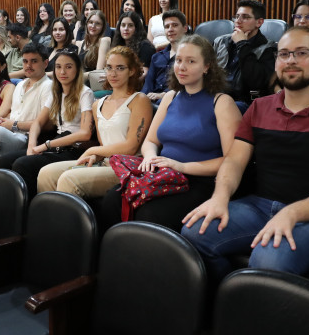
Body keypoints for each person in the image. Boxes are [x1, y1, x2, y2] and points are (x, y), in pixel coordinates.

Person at [181, 26, 309, 283]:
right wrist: (220, 197)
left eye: (301, 53)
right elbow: (234, 160)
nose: (291, 60)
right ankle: (229, 302)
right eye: (283, 54)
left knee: (268, 258)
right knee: (193, 233)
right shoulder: (259, 107)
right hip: (258, 207)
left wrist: (291, 213)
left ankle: (255, 310)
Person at [101, 35, 241, 232]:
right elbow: (150, 140)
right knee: (111, 201)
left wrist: (182, 165)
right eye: (179, 60)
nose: (181, 67)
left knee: (150, 215)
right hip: (164, 175)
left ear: (207, 66)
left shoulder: (222, 102)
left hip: (199, 182)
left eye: (191, 61)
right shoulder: (170, 97)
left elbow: (231, 160)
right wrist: (150, 157)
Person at [37, 46, 153, 200]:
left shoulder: (139, 100)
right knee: (46, 173)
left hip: (128, 166)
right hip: (106, 162)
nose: (112, 73)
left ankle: (68, 223)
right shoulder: (97, 104)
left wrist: (92, 151)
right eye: (109, 67)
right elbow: (104, 145)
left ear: (131, 71)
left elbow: (130, 147)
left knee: (68, 179)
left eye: (120, 68)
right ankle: (50, 219)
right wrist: (96, 156)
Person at [10, 50, 94, 196]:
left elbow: (85, 133)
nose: (62, 71)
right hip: (57, 144)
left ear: (77, 70)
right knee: (5, 161)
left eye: (68, 67)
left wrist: (46, 145)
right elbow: (38, 122)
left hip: (74, 148)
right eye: (58, 67)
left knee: (22, 164)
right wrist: (31, 146)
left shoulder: (85, 92)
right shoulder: (56, 92)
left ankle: (33, 207)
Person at [213, 0, 276, 106]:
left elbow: (256, 82)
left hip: (244, 102)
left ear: (259, 22)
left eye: (245, 17)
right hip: (216, 96)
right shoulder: (220, 42)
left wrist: (242, 44)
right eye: (237, 16)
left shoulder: (268, 48)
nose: (238, 21)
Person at [142, 10, 188, 101]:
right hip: (151, 100)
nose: (170, 29)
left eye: (175, 25)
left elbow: (187, 84)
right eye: (167, 26)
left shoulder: (190, 56)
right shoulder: (156, 57)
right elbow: (148, 85)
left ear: (185, 28)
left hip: (176, 99)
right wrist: (142, 99)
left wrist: (164, 94)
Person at [76, 10, 112, 74]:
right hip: (79, 81)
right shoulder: (80, 43)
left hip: (93, 82)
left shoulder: (104, 41)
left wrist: (77, 78)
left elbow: (98, 73)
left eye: (97, 23)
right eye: (90, 22)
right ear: (86, 24)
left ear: (103, 27)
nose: (93, 26)